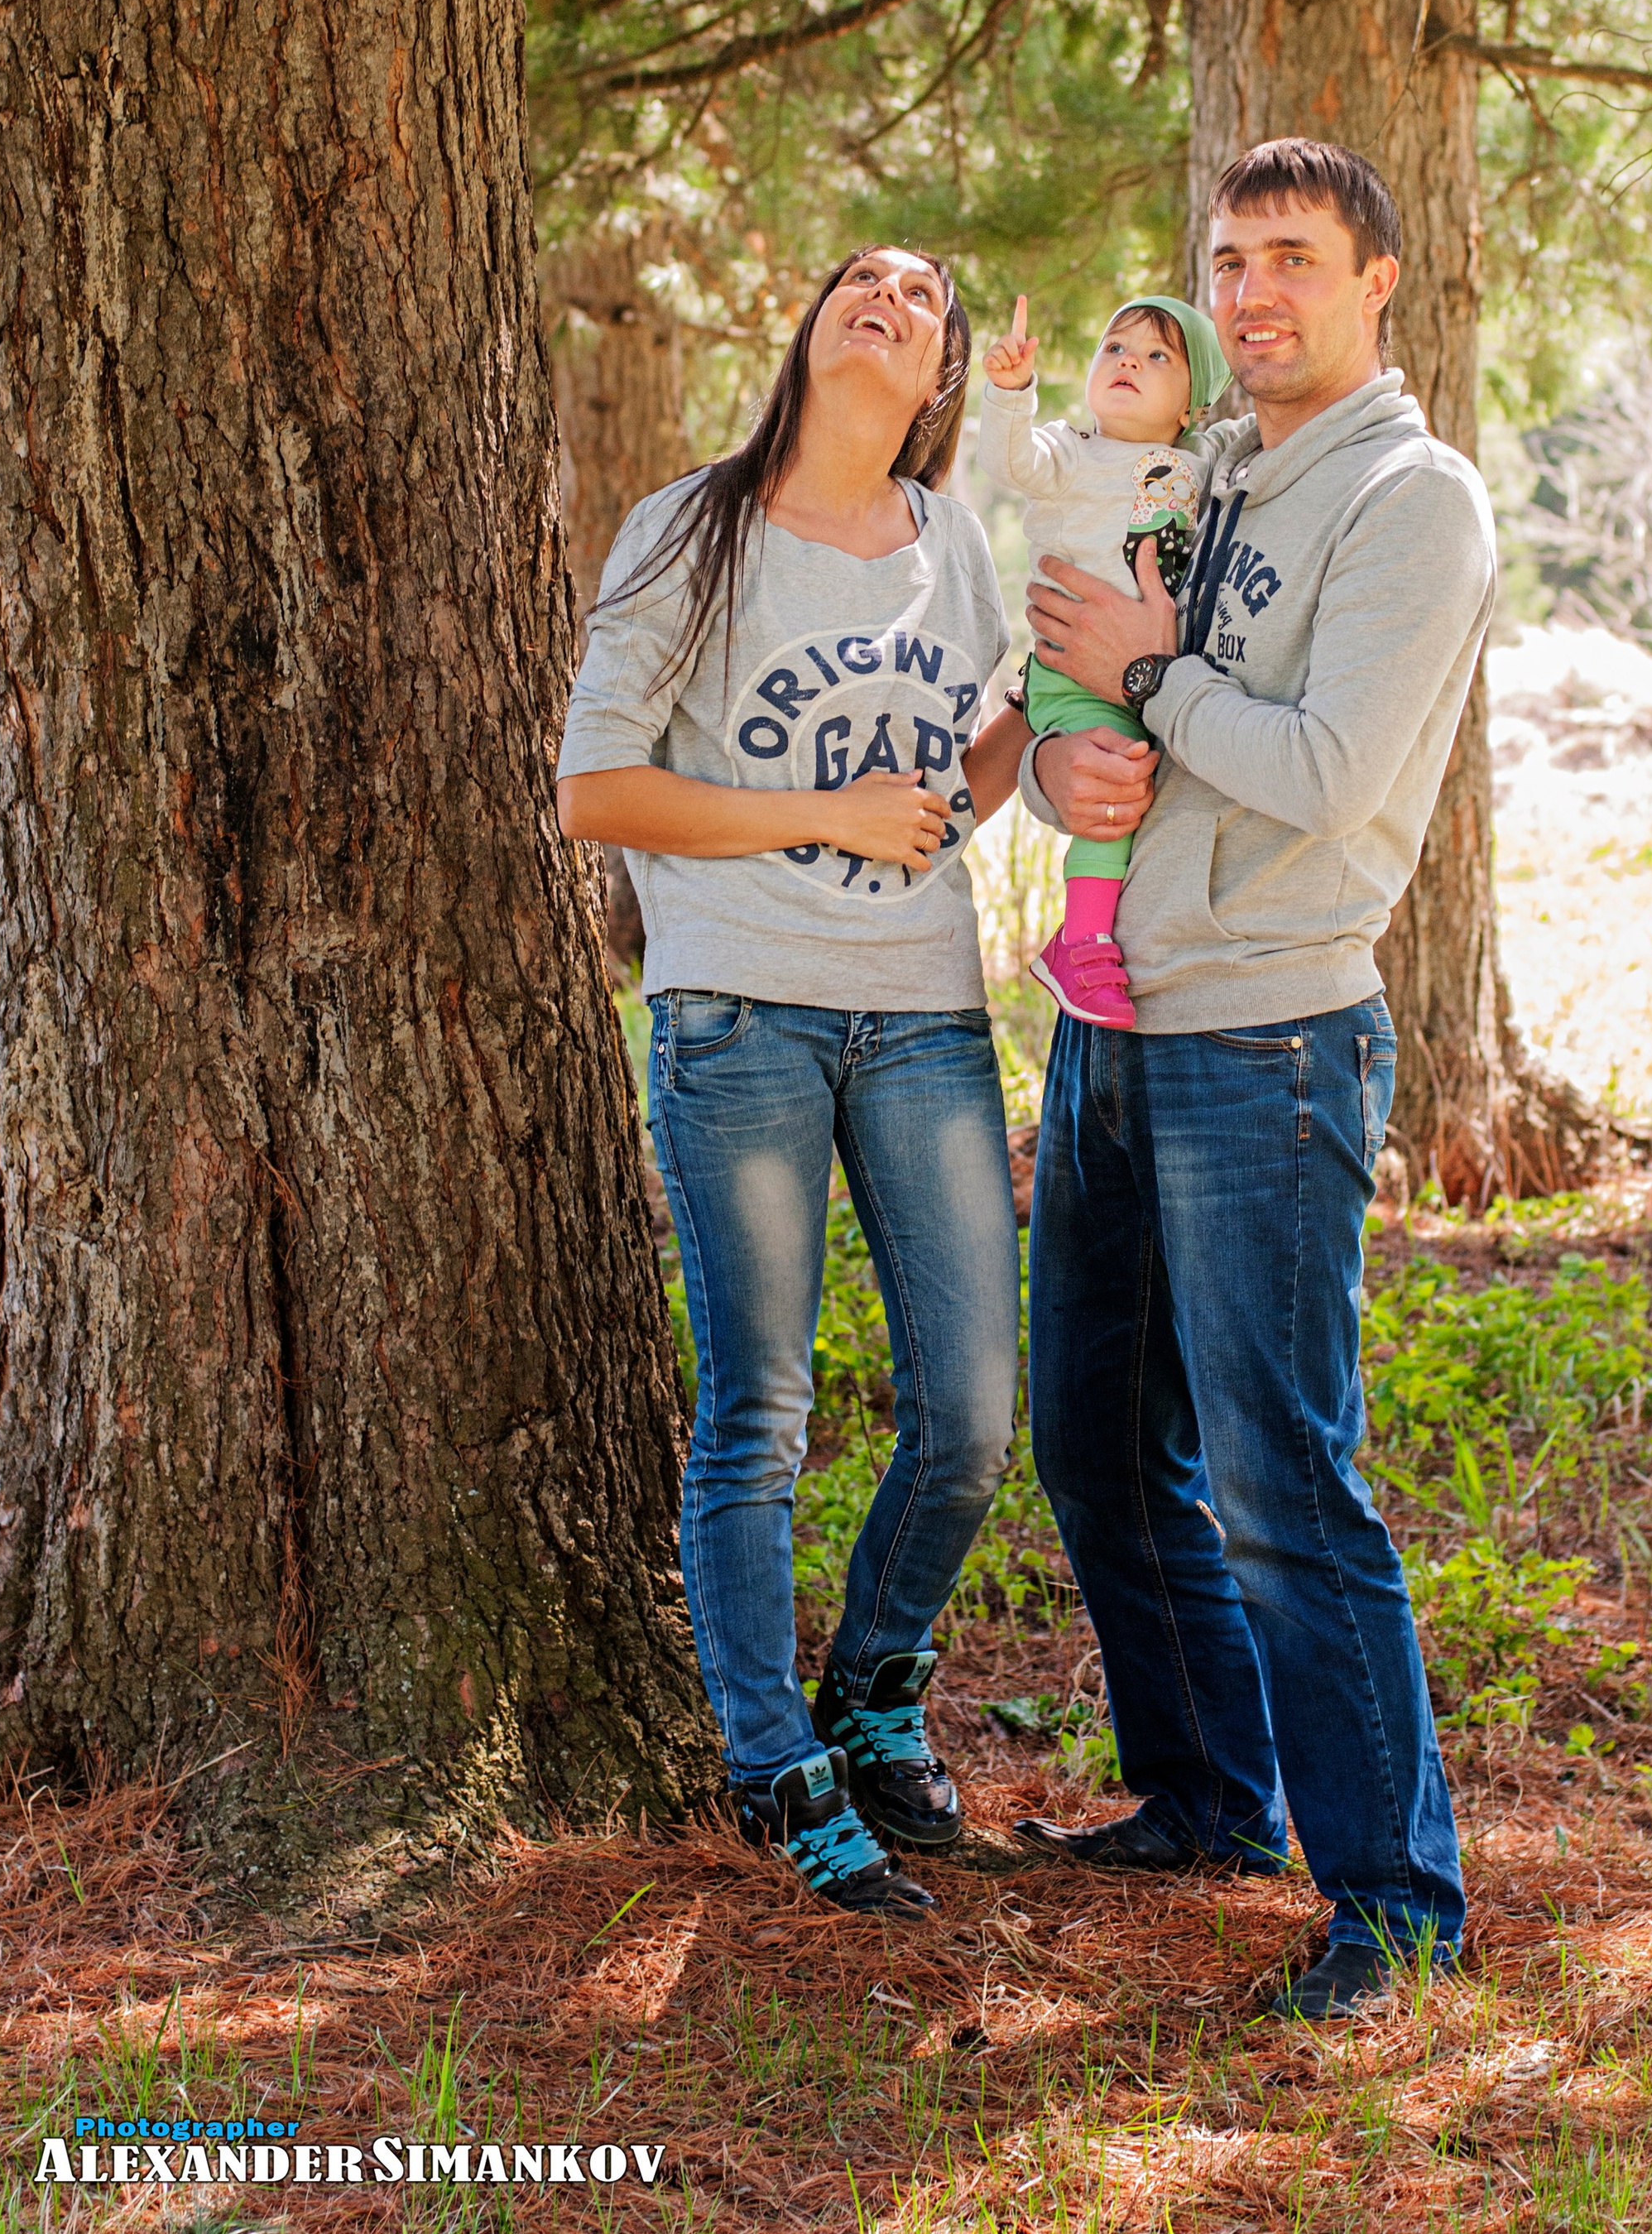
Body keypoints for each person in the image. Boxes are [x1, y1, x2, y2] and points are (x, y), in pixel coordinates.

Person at [555, 246, 1155, 1916]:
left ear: (944, 364)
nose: (891, 295)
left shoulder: (942, 537)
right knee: (759, 1410)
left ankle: (874, 1688)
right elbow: (594, 786)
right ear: (812, 326)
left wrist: (976, 791)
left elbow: (986, 729)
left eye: (925, 295)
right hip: (738, 1012)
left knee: (967, 1411)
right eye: (861, 280)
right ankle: (771, 1763)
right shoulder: (694, 526)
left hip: (918, 1012)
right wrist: (820, 816)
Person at [1015, 138, 1498, 2020]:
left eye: (1289, 257)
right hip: (1115, 1013)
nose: (1247, 294)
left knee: (1280, 1476)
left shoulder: (1411, 498)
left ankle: (1392, 1905)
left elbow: (1326, 768)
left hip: (1270, 1032)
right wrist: (1076, 756)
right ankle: (1206, 1791)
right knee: (1089, 1436)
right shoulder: (1200, 470)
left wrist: (1152, 675)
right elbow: (1083, 695)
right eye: (1226, 260)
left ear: (1377, 280)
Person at [977, 291, 1231, 1029]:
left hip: (1154, 673)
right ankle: (1080, 941)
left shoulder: (1199, 461)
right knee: (1112, 777)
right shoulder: (1068, 453)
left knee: (1154, 778)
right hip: (1074, 671)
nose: (1129, 363)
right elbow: (1008, 456)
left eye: (1158, 357)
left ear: (1190, 406)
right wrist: (1011, 391)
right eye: (1114, 348)